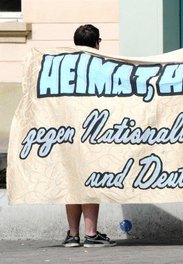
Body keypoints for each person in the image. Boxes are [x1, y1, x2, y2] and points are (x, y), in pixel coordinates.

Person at [62, 24, 116, 248]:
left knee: (72, 180)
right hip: (92, 131)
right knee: (91, 179)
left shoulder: (63, 65)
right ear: (97, 43)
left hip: (65, 131)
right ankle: (91, 233)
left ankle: (73, 234)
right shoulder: (102, 66)